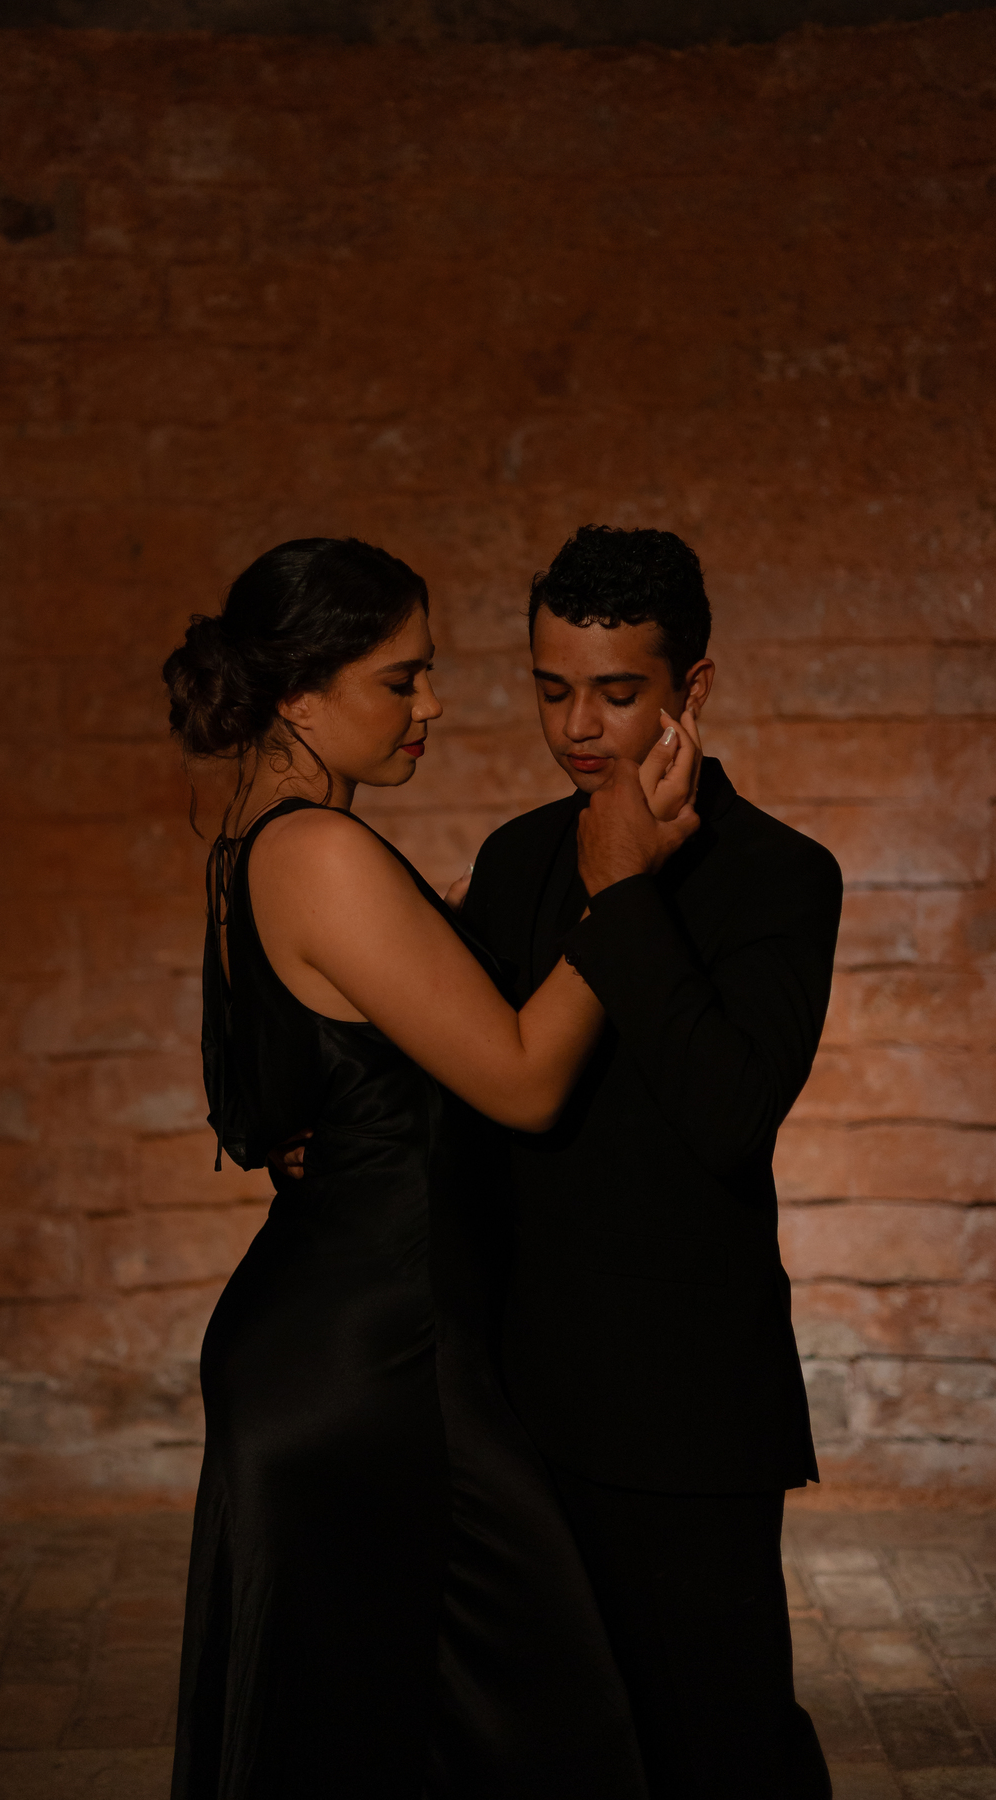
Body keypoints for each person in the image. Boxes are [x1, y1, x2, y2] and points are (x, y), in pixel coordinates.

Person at [163, 536, 699, 1800]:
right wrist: (620, 893)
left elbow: (300, 1103)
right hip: (381, 1364)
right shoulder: (319, 853)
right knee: (542, 1731)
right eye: (401, 680)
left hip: (330, 1342)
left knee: (380, 1737)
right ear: (302, 697)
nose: (434, 705)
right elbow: (522, 1079)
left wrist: (450, 936)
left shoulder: (258, 845)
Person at [460, 525, 842, 1800]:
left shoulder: (784, 877)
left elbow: (728, 1114)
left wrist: (624, 892)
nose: (578, 725)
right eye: (551, 688)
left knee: (718, 1753)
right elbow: (480, 1102)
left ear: (693, 688)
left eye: (617, 692)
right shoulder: (514, 860)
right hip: (522, 1401)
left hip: (690, 1413)